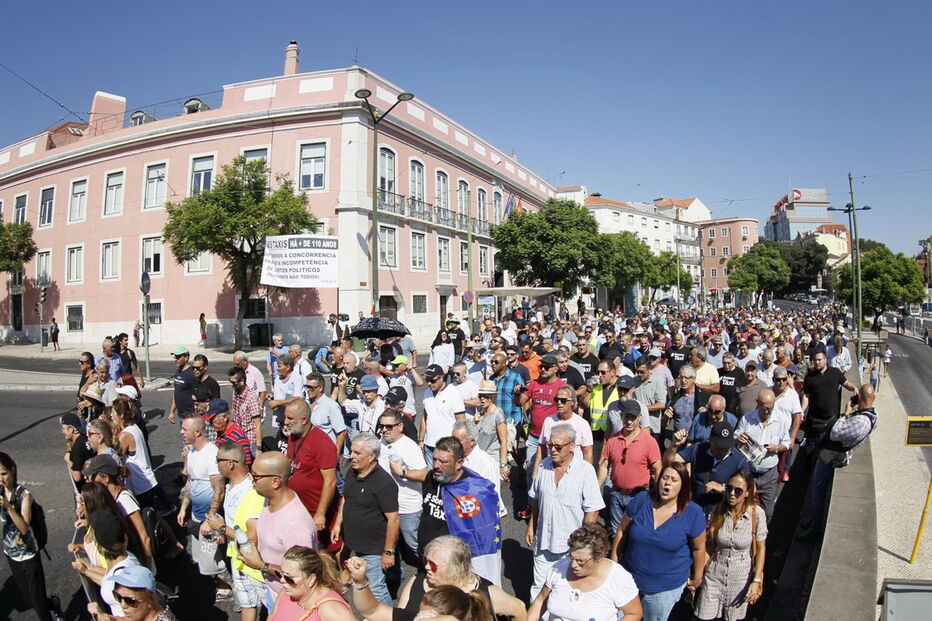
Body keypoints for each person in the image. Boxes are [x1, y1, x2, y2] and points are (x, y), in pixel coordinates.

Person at [346, 535, 527, 621]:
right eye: (425, 561)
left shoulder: (486, 592)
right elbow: (373, 611)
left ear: (455, 567)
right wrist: (360, 581)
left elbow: (519, 609)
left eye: (432, 564)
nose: (426, 567)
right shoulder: (418, 583)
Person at [611, 462, 707, 621]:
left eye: (674, 480)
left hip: (664, 589)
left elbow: (699, 549)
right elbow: (622, 531)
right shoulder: (642, 500)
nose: (667, 483)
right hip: (629, 582)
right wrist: (613, 564)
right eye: (665, 478)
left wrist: (697, 577)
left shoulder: (693, 512)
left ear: (683, 486)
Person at [527, 424, 604, 599]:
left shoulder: (585, 471)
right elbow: (536, 500)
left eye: (558, 446)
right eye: (550, 445)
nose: (552, 450)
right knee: (538, 588)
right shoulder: (543, 466)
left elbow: (592, 510)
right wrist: (531, 526)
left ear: (572, 446)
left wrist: (582, 544)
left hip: (569, 549)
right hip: (543, 543)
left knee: (567, 591)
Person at [237, 451, 318, 608]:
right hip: (273, 592)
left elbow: (303, 575)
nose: (250, 479)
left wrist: (262, 566)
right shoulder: (269, 500)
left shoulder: (296, 525)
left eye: (255, 476)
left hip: (293, 603)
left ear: (275, 482)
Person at [418, 437, 502, 585]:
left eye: (443, 461)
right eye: (435, 459)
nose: (436, 465)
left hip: (453, 566)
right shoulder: (431, 478)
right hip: (427, 558)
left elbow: (481, 533)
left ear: (459, 463)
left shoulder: (474, 491)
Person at [801, 383, 878, 538]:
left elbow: (835, 434)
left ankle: (814, 530)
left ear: (860, 397)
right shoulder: (873, 416)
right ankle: (813, 522)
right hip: (832, 452)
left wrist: (846, 414)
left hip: (831, 456)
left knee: (818, 492)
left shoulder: (862, 421)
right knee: (817, 492)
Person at [331, 433, 399, 605]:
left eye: (357, 453)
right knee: (363, 586)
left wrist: (388, 552)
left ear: (372, 456)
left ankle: (389, 615)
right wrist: (338, 525)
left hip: (373, 549)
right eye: (352, 451)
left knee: (376, 589)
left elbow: (393, 519)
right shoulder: (352, 472)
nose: (352, 456)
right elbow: (346, 499)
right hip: (354, 541)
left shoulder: (384, 483)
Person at [204, 441, 266, 621]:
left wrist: (222, 528)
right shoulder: (230, 486)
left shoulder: (251, 492)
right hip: (238, 558)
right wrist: (221, 531)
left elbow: (252, 538)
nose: (216, 464)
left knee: (271, 605)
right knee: (247, 604)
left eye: (218, 460)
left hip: (254, 561)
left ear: (230, 463)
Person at [527, 523, 642, 621]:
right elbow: (540, 601)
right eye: (571, 557)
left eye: (581, 561)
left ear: (599, 557)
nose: (573, 565)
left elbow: (634, 613)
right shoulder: (559, 568)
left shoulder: (618, 578)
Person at [694, 470, 766, 621]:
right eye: (729, 488)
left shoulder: (757, 514)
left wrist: (757, 580)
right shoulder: (718, 510)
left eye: (738, 490)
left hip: (740, 580)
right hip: (714, 575)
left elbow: (760, 549)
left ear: (747, 493)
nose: (732, 494)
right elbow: (710, 546)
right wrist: (698, 576)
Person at [0, 452, 57, 621]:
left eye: (3, 474)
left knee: (38, 602)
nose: (1, 479)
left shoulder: (24, 495)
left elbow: (24, 528)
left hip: (29, 555)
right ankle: (53, 604)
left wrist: (9, 508)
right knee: (29, 599)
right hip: (11, 553)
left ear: (12, 470)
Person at [598, 401, 662, 535]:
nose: (629, 421)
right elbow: (604, 466)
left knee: (637, 533)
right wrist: (597, 487)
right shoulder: (613, 440)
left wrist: (657, 494)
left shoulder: (649, 441)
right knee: (617, 533)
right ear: (621, 417)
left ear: (639, 418)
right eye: (626, 417)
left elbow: (658, 468)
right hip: (616, 495)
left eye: (633, 418)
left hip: (639, 496)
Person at [83, 456, 155, 571]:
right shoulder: (111, 497)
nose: (90, 479)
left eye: (93, 476)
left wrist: (148, 569)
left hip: (139, 562)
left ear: (105, 477)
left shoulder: (124, 499)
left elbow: (144, 538)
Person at [282, 400, 338, 547]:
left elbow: (331, 481)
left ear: (304, 420)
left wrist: (320, 513)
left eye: (290, 418)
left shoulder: (322, 442)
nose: (285, 422)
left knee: (326, 552)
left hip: (316, 510)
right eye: (286, 417)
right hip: (299, 508)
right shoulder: (293, 435)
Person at [665, 422, 750, 516]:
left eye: (726, 447)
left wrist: (724, 487)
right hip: (695, 509)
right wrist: (674, 445)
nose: (722, 451)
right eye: (719, 446)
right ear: (711, 441)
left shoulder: (739, 461)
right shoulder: (697, 449)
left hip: (721, 514)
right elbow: (668, 462)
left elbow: (749, 490)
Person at [376, 409, 428, 558]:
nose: (384, 430)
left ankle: (429, 567)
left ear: (400, 426)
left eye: (389, 426)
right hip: (387, 504)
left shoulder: (409, 447)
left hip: (407, 507)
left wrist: (402, 473)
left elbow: (424, 474)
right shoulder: (381, 442)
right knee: (390, 542)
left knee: (414, 545)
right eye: (381, 426)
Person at [72, 509, 142, 617]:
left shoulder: (122, 577)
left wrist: (104, 616)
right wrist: (87, 570)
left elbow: (136, 616)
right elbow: (108, 580)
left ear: (99, 545)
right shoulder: (126, 558)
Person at [735, 390, 789, 522]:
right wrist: (739, 438)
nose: (766, 411)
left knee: (767, 512)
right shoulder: (747, 419)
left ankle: (762, 533)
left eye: (770, 408)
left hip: (769, 474)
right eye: (763, 408)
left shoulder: (781, 420)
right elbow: (736, 436)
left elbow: (786, 444)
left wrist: (776, 448)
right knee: (742, 508)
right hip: (748, 473)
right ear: (757, 403)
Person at [268, 545, 354, 621]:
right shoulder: (285, 594)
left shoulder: (330, 609)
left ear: (311, 579)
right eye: (280, 574)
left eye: (289, 578)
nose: (282, 580)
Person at [86, 563, 178, 621]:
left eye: (129, 600)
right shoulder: (145, 614)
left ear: (149, 598)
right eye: (118, 597)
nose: (123, 605)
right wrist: (106, 617)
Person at [419, 365, 466, 465]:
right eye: (427, 380)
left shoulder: (453, 393)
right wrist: (421, 440)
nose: (429, 383)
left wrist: (459, 444)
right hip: (429, 445)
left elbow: (461, 421)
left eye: (432, 380)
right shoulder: (427, 393)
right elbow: (424, 418)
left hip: (447, 446)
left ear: (441, 378)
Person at [473, 380, 509, 474]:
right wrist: (473, 422)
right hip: (479, 460)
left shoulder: (498, 414)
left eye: (486, 396)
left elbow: (503, 442)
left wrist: (503, 465)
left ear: (492, 397)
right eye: (480, 395)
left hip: (492, 460)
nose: (482, 398)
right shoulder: (480, 411)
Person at [205, 398, 254, 465]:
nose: (211, 425)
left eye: (212, 421)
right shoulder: (221, 432)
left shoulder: (239, 437)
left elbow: (245, 465)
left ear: (225, 417)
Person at [228, 365, 263, 452]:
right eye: (231, 382)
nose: (232, 385)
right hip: (237, 437)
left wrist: (258, 447)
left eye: (234, 383)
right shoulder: (235, 392)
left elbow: (258, 424)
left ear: (242, 381)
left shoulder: (251, 397)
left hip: (249, 440)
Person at [61, 412, 95, 490]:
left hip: (85, 489)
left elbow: (77, 477)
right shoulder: (84, 438)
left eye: (63, 429)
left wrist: (68, 460)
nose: (62, 431)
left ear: (71, 429)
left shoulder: (78, 447)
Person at [168, 347, 197, 424]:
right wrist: (172, 412)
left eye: (178, 357)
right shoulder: (177, 372)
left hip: (191, 416)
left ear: (186, 358)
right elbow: (176, 392)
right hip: (181, 415)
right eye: (175, 357)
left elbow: (198, 395)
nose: (176, 360)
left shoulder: (192, 374)